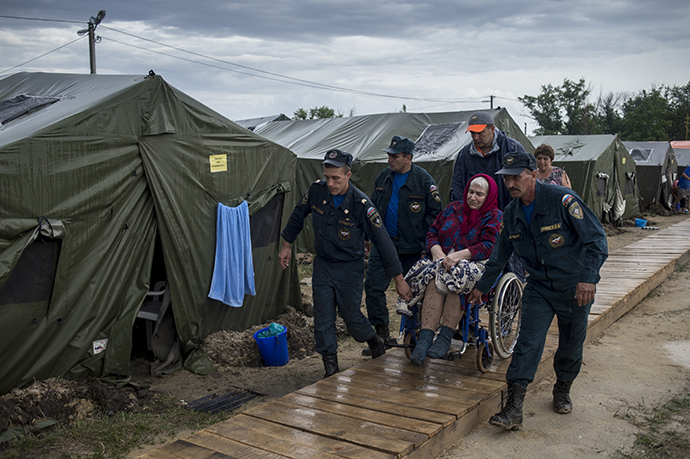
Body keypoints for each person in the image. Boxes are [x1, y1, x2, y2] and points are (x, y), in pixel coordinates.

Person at [468, 150, 608, 431]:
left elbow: (596, 240)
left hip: (574, 286)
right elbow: (499, 256)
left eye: (516, 177)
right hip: (539, 287)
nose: (510, 185)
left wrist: (588, 279)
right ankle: (514, 407)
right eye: (506, 179)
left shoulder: (562, 200)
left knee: (571, 342)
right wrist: (480, 288)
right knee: (527, 342)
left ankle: (562, 387)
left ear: (534, 173)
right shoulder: (512, 213)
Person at [279, 149, 412, 378]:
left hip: (350, 268)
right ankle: (330, 369)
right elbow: (298, 215)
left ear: (348, 175)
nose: (330, 183)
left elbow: (383, 242)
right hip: (323, 265)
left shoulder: (362, 204)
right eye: (327, 177)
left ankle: (374, 340)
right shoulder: (316, 191)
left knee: (351, 318)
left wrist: (399, 279)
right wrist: (287, 245)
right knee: (323, 318)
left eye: (336, 178)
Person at [405, 174, 502, 366]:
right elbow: (432, 232)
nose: (473, 197)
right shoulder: (452, 209)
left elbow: (489, 246)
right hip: (443, 260)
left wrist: (457, 256)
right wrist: (437, 251)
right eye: (471, 192)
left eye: (479, 194)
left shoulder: (495, 216)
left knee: (456, 281)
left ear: (488, 196)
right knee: (434, 278)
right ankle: (425, 339)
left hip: (475, 264)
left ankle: (445, 337)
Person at [361, 136, 443, 356]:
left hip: (412, 249)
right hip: (383, 246)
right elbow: (372, 209)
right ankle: (381, 336)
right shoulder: (383, 177)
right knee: (373, 288)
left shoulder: (424, 181)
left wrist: (426, 242)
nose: (389, 159)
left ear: (408, 158)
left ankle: (414, 334)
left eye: (394, 156)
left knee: (414, 293)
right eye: (388, 155)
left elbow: (436, 216)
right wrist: (368, 237)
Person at [450, 111, 527, 209]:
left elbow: (523, 185)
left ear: (492, 129)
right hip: (474, 216)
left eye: (480, 132)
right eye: (472, 133)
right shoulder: (465, 154)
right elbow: (457, 186)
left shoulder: (512, 149)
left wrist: (511, 215)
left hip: (506, 213)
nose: (476, 137)